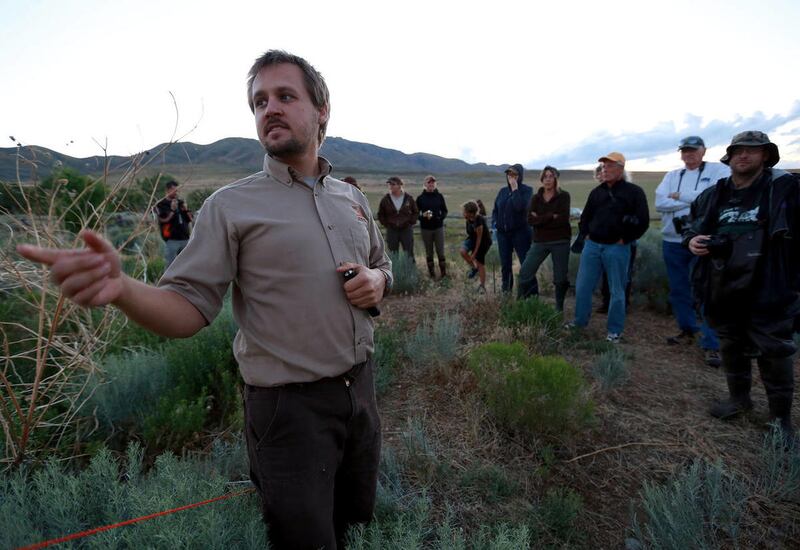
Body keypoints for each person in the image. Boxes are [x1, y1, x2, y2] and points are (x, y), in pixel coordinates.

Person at [17, 49, 392, 550]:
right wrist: (125, 288)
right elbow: (188, 309)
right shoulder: (230, 207)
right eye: (259, 102)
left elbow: (383, 266)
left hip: (361, 393)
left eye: (285, 96)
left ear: (321, 110)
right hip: (288, 411)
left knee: (356, 524)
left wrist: (377, 281)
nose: (269, 109)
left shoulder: (351, 198)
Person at [686, 131, 798, 442]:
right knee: (730, 344)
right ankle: (739, 399)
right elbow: (695, 226)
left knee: (774, 351)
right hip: (723, 283)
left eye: (752, 150)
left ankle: (780, 420)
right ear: (729, 156)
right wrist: (693, 240)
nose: (744, 156)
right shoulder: (717, 193)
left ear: (766, 156)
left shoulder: (782, 189)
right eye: (738, 151)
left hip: (769, 284)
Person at [655, 136, 729, 367]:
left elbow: (715, 196)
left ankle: (712, 344)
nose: (689, 155)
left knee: (708, 291)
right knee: (679, 290)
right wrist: (695, 200)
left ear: (703, 150)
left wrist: (680, 197)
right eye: (685, 151)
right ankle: (687, 330)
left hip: (703, 241)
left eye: (693, 150)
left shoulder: (719, 171)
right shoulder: (672, 175)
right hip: (673, 241)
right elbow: (659, 202)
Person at [567, 152, 649, 343]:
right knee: (583, 286)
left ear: (621, 168)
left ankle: (614, 330)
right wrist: (586, 234)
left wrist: (626, 238)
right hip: (593, 246)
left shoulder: (634, 192)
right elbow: (585, 217)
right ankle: (579, 322)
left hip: (617, 247)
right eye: (604, 167)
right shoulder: (597, 193)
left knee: (617, 290)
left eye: (610, 166)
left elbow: (643, 220)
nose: (605, 170)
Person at [517, 165, 571, 310]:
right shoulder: (536, 198)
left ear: (556, 179)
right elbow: (530, 220)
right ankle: (520, 305)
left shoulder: (564, 196)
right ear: (542, 179)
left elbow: (563, 220)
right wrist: (550, 216)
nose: (548, 179)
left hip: (560, 241)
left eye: (551, 176)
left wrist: (540, 218)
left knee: (560, 278)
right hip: (540, 241)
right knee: (525, 272)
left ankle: (558, 308)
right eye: (545, 176)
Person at [492, 164, 533, 293]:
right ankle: (506, 292)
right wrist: (495, 223)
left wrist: (515, 189)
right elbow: (496, 209)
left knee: (525, 264)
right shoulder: (502, 191)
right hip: (503, 234)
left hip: (520, 232)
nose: (511, 177)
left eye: (514, 174)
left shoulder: (527, 190)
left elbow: (520, 207)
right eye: (509, 174)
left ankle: (530, 293)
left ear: (520, 176)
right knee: (505, 265)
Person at [377, 176, 418, 261]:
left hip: (406, 229)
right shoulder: (386, 199)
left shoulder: (408, 198)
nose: (390, 186)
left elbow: (415, 212)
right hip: (392, 230)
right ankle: (394, 272)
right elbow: (381, 214)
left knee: (409, 253)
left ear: (400, 185)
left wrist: (410, 222)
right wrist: (387, 224)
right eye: (389, 184)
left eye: (393, 184)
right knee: (393, 253)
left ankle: (410, 272)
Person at [416, 175, 448, 278]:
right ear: (425, 184)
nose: (431, 184)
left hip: (438, 227)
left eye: (433, 182)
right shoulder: (420, 198)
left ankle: (443, 274)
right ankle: (432, 274)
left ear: (435, 184)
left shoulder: (439, 196)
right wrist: (423, 216)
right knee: (429, 252)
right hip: (426, 229)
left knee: (441, 252)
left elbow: (445, 210)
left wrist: (440, 217)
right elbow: (415, 213)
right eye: (429, 183)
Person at [154, 180, 193, 267]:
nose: (176, 192)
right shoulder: (161, 204)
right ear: (167, 190)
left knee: (185, 265)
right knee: (170, 266)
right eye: (174, 190)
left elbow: (190, 219)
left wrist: (186, 209)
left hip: (185, 238)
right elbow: (163, 220)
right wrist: (172, 210)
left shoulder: (180, 202)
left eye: (177, 190)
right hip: (171, 239)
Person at [460, 200, 492, 293]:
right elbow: (472, 235)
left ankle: (482, 286)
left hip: (483, 241)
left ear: (470, 213)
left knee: (480, 262)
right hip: (472, 239)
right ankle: (474, 268)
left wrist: (474, 253)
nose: (463, 212)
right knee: (463, 251)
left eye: (464, 211)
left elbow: (479, 239)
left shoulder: (479, 221)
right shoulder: (468, 218)